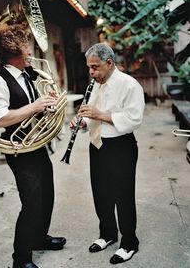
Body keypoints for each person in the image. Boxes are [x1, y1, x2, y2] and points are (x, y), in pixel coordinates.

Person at [0, 22, 66, 268]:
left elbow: (34, 109)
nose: (30, 51)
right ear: (15, 51)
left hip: (37, 145)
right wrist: (34, 106)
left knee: (47, 195)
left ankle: (39, 238)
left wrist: (48, 105)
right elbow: (1, 118)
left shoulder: (27, 76)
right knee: (31, 201)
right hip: (19, 150)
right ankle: (20, 259)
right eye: (26, 46)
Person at [70, 43, 145, 265]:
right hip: (98, 145)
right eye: (89, 68)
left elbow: (134, 119)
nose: (91, 72)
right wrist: (81, 122)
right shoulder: (95, 83)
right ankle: (108, 234)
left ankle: (130, 242)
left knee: (123, 196)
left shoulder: (129, 85)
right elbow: (90, 115)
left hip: (121, 147)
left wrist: (100, 115)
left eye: (95, 67)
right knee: (100, 193)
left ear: (109, 63)